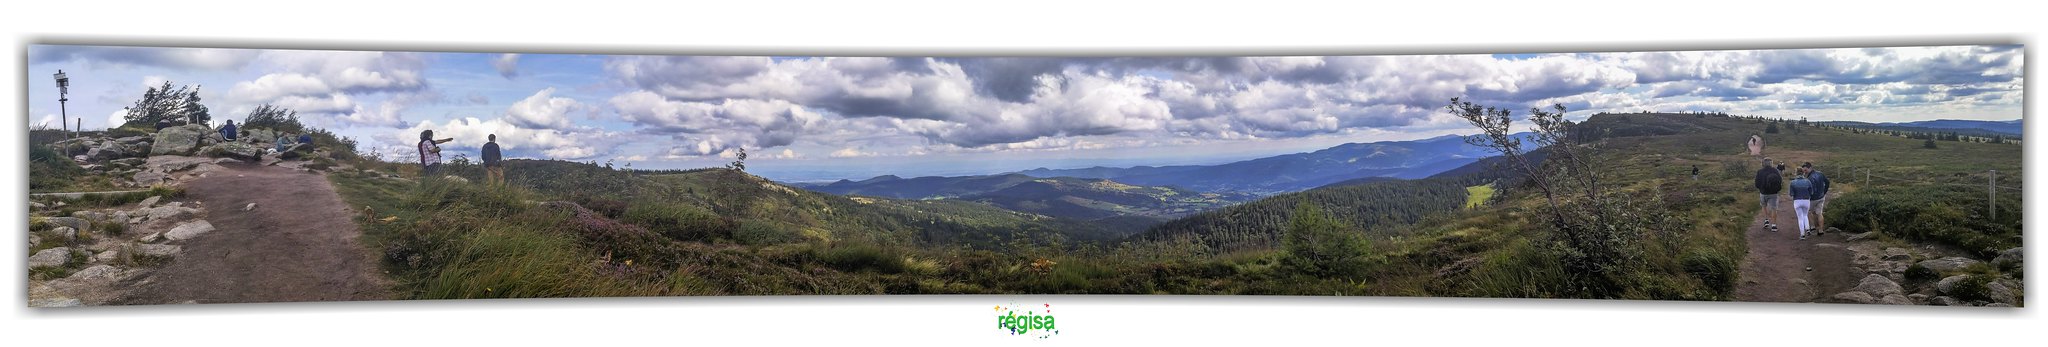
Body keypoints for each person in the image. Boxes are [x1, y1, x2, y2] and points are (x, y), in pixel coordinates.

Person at [1753, 158, 1783, 232]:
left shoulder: (1760, 171)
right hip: (1774, 193)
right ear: (1771, 163)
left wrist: (1761, 188)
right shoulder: (1775, 170)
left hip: (1763, 193)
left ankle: (1766, 219)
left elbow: (1756, 183)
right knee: (1774, 209)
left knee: (1763, 206)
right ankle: (1774, 225)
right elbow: (1780, 180)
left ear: (1763, 163)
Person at [1803, 162, 1831, 234]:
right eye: (1804, 170)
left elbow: (1810, 189)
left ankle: (1812, 226)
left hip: (1813, 198)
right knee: (1819, 213)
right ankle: (1821, 230)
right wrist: (1824, 192)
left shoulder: (1809, 178)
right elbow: (1827, 182)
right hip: (1821, 197)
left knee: (1808, 211)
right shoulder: (1820, 174)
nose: (1804, 172)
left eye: (1805, 170)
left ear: (1810, 168)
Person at [1788, 166, 1815, 240]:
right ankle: (1807, 229)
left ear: (1796, 173)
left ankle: (1802, 234)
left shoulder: (1793, 182)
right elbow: (1811, 192)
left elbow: (1791, 194)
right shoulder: (1808, 181)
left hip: (1797, 201)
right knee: (1805, 215)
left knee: (1800, 218)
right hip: (1806, 200)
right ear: (1803, 173)